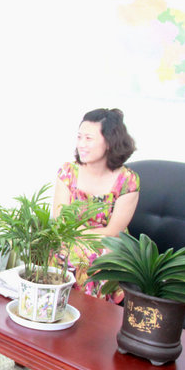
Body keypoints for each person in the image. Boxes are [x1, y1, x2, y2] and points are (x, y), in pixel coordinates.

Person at [53, 108, 139, 302]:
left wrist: (78, 237)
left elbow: (113, 232)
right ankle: (58, 306)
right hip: (69, 239)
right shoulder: (68, 172)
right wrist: (74, 238)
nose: (81, 144)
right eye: (79, 137)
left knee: (96, 255)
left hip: (107, 244)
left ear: (109, 142)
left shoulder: (128, 181)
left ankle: (93, 313)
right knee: (58, 247)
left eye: (88, 139)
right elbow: (59, 221)